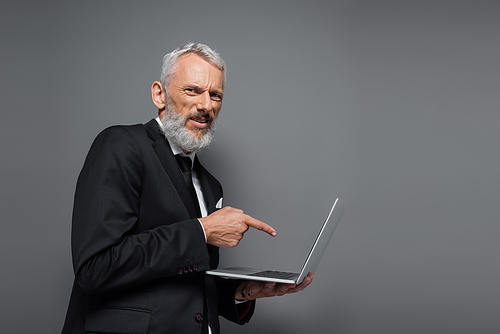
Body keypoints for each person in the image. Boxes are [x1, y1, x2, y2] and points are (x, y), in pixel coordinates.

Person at [61, 43, 313, 334]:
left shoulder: (209, 184)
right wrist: (202, 231)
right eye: (192, 90)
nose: (206, 105)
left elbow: (187, 283)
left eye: (215, 95)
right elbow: (95, 268)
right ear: (160, 94)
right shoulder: (121, 146)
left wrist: (244, 291)